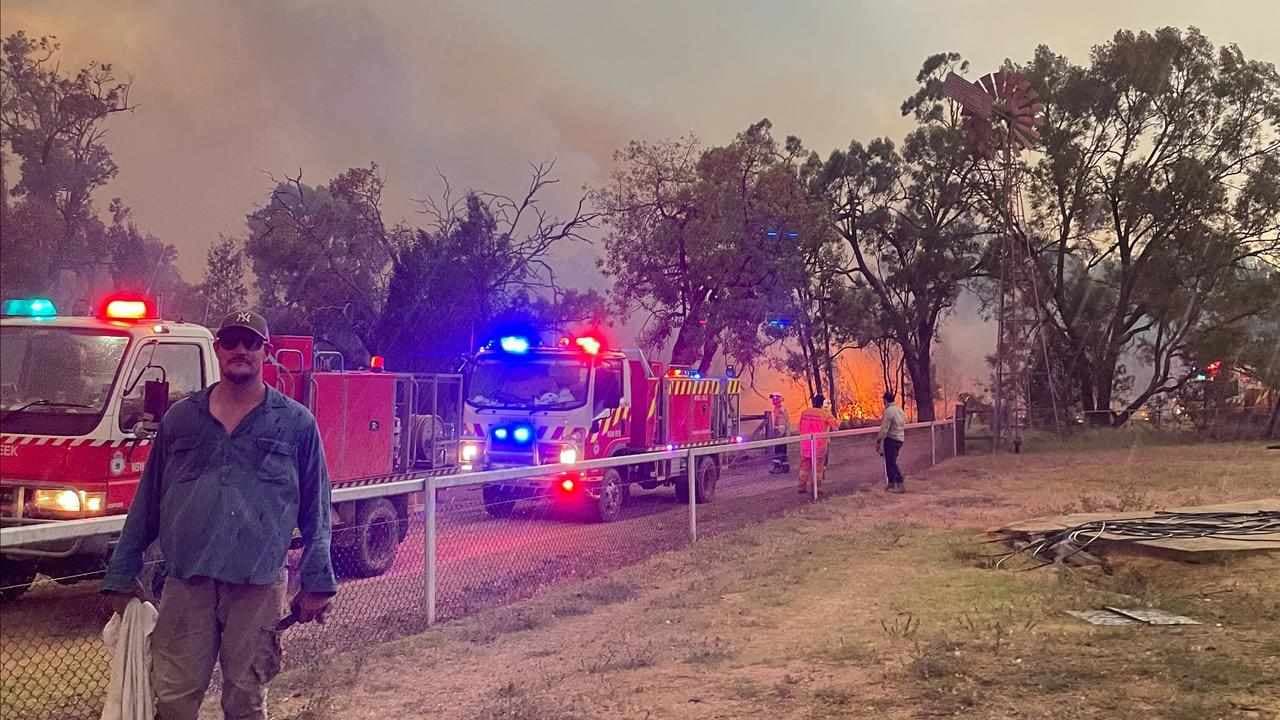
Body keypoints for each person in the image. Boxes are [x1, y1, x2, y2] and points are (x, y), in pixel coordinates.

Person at [101, 310, 337, 720]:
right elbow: (148, 501)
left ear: (267, 351)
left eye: (251, 342)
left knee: (245, 701)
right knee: (173, 701)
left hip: (256, 584)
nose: (240, 350)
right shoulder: (181, 420)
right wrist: (122, 573)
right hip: (186, 583)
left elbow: (317, 509)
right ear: (218, 349)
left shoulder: (296, 424)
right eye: (231, 341)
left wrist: (318, 581)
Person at [797, 394, 839, 496]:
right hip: (819, 446)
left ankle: (801, 486)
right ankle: (816, 488)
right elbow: (835, 427)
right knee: (818, 469)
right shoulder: (825, 414)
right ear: (822, 403)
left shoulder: (804, 413)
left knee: (804, 467)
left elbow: (799, 427)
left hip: (805, 444)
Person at [876, 390, 908, 493]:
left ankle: (899, 483)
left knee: (891, 462)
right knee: (890, 462)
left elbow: (884, 428)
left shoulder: (889, 411)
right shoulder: (899, 410)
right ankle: (891, 483)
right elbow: (904, 421)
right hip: (900, 439)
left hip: (891, 439)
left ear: (885, 400)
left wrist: (878, 441)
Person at [767, 392, 791, 474]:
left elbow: (784, 422)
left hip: (781, 434)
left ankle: (779, 467)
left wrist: (782, 433)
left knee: (779, 450)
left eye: (775, 399)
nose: (773, 400)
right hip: (779, 433)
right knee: (781, 450)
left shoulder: (781, 409)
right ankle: (784, 467)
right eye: (773, 399)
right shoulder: (777, 408)